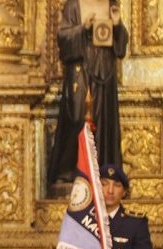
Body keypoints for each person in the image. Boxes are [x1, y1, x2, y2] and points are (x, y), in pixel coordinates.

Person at [48, 0, 127, 186]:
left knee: (103, 120)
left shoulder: (111, 4)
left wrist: (116, 25)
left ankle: (103, 172)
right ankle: (70, 171)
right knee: (77, 117)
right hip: (80, 70)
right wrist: (82, 28)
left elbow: (121, 46)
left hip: (104, 72)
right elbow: (63, 36)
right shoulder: (74, 6)